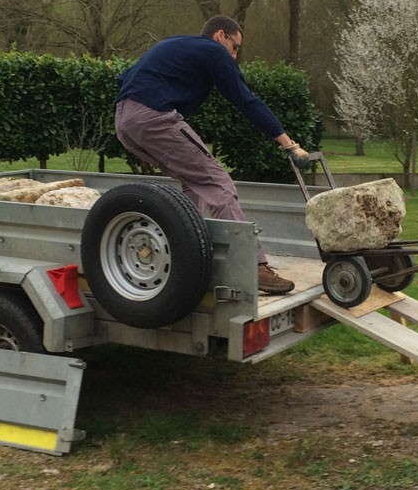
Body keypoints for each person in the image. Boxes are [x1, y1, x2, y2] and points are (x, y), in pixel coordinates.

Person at [114, 15, 310, 295]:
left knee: (193, 185)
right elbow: (245, 100)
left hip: (124, 120)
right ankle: (253, 266)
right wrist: (288, 143)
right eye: (235, 47)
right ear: (220, 35)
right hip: (153, 115)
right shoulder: (213, 50)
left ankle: (187, 262)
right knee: (217, 182)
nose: (234, 56)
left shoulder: (178, 45)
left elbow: (125, 77)